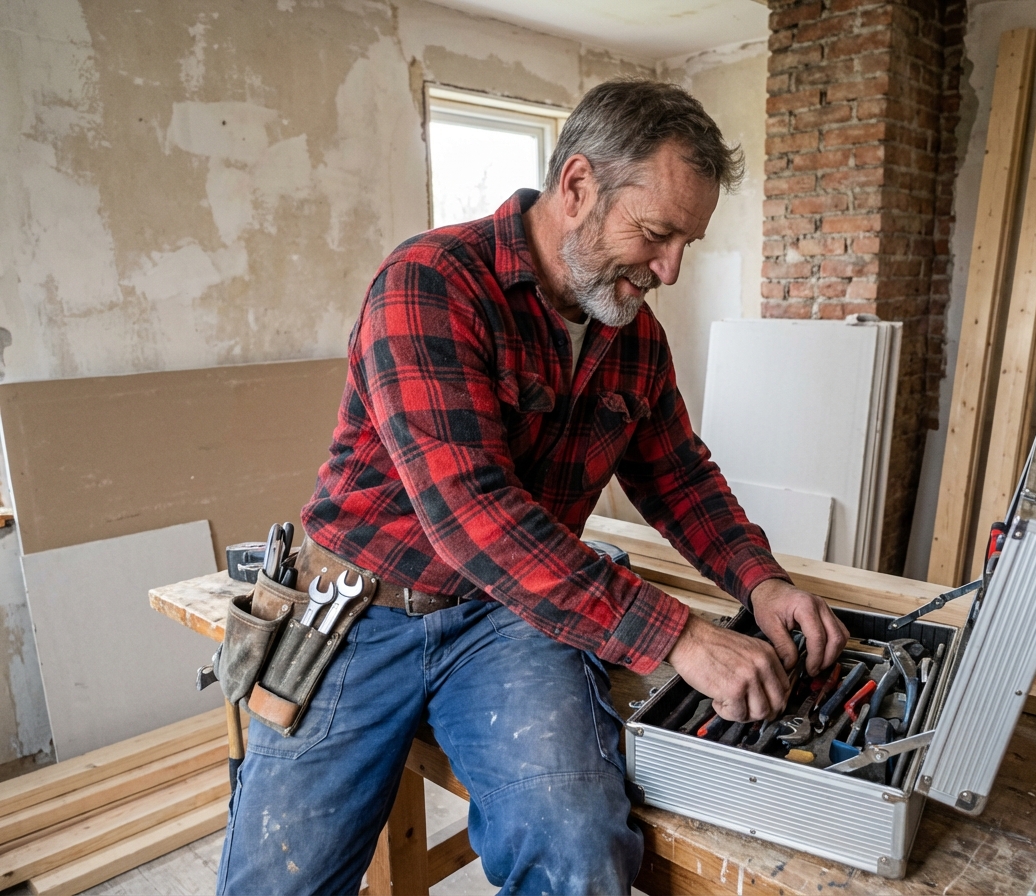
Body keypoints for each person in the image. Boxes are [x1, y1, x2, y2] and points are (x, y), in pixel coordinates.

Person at [216, 78, 848, 896]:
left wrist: (760, 583)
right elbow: (472, 516)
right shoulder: (429, 285)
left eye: (686, 243)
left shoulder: (632, 336)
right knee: (277, 881)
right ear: (579, 186)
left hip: (509, 620)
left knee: (578, 853)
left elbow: (679, 474)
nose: (671, 268)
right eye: (657, 234)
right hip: (357, 610)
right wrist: (681, 637)